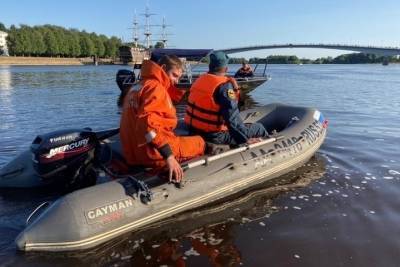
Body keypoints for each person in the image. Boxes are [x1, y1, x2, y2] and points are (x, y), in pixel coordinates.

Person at [120, 55, 205, 182]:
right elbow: (148, 125)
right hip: (150, 154)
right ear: (163, 68)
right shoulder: (156, 88)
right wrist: (169, 156)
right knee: (200, 142)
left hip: (132, 153)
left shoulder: (137, 86)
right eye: (174, 75)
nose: (176, 81)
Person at [184, 51, 268, 145]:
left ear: (210, 66)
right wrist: (245, 140)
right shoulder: (224, 87)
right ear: (226, 68)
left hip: (193, 130)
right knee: (258, 128)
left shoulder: (199, 80)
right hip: (214, 136)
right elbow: (231, 119)